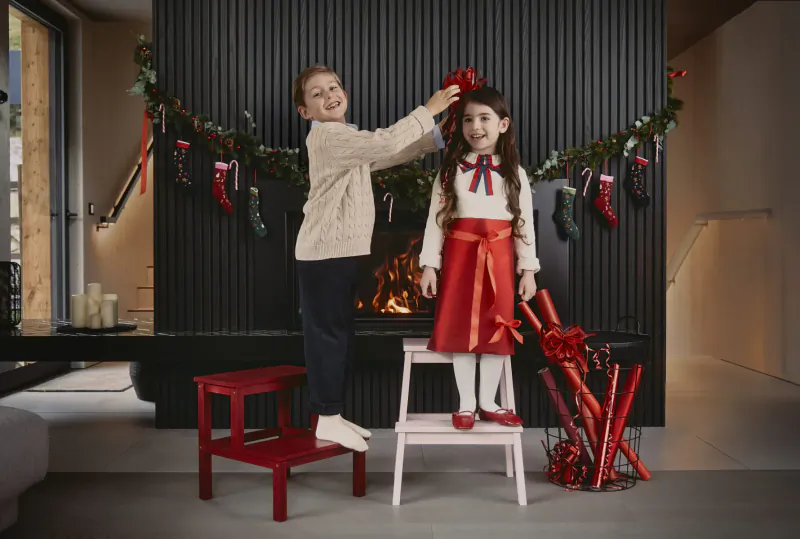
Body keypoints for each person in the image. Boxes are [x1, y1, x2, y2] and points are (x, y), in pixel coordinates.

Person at [292, 65, 460, 451]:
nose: (330, 95)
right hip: (323, 253)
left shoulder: (345, 139)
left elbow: (384, 155)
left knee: (342, 335)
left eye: (334, 87)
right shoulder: (327, 138)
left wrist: (436, 136)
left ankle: (333, 414)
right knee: (327, 337)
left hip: (344, 252)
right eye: (317, 94)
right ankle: (326, 418)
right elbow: (383, 143)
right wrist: (428, 110)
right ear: (305, 112)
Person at [419, 86, 540, 430]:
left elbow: (524, 223)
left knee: (495, 328)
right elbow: (436, 219)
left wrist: (527, 269)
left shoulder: (516, 174)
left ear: (503, 124)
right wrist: (430, 264)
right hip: (460, 259)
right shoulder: (449, 171)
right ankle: (466, 404)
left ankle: (488, 400)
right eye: (469, 119)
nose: (476, 126)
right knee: (461, 329)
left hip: (499, 261)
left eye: (485, 118)